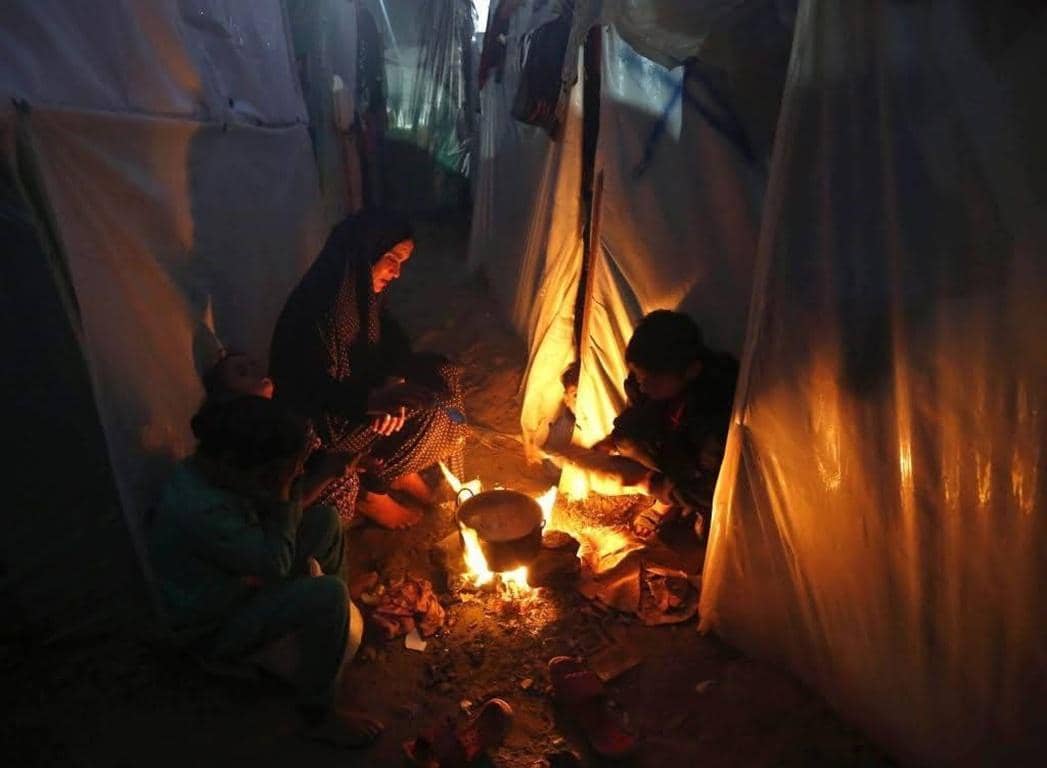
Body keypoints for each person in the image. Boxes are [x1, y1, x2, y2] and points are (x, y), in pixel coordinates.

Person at [149, 396, 382, 747]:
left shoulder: (215, 473)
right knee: (327, 593)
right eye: (277, 472)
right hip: (216, 624)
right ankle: (317, 714)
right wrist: (286, 490)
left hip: (243, 580)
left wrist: (320, 473)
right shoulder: (201, 511)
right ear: (235, 464)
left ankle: (331, 640)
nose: (289, 476)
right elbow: (274, 564)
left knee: (325, 522)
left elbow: (274, 517)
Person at [268, 211, 466, 529]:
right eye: (392, 258)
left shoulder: (356, 290)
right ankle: (374, 491)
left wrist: (393, 379)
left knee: (443, 374)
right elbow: (307, 392)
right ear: (366, 250)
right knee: (433, 410)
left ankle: (397, 471)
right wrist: (371, 401)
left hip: (359, 396)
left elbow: (392, 338)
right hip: (324, 429)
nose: (397, 272)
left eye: (403, 262)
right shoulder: (320, 310)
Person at [592, 310, 738, 540]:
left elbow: (714, 485)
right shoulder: (649, 380)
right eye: (639, 377)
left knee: (706, 533)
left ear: (691, 371)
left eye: (651, 380)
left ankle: (673, 502)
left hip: (702, 467)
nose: (643, 386)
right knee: (626, 437)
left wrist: (649, 483)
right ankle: (670, 497)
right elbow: (636, 415)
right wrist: (612, 442)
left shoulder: (720, 406)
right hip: (673, 447)